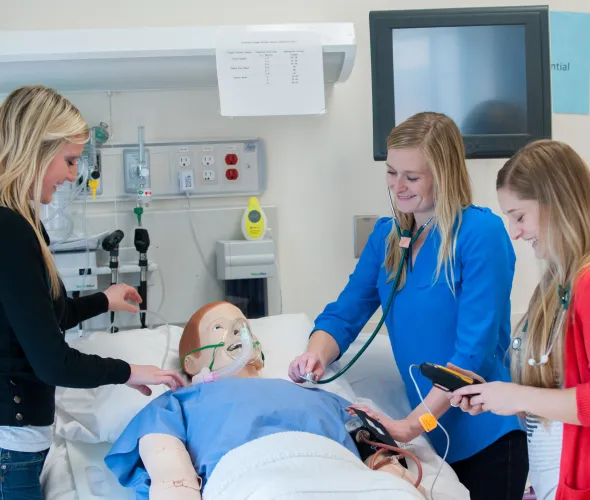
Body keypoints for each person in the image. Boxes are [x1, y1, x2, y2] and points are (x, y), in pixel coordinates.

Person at [288, 111, 529, 499]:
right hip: (429, 442)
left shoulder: (479, 233)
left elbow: (473, 351)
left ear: (444, 174)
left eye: (412, 177)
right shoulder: (387, 237)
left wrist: (411, 425)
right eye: (391, 172)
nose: (398, 187)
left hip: (487, 438)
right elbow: (344, 313)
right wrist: (314, 355)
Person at [0, 85, 185, 500]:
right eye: (68, 161)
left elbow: (43, 316)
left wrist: (104, 300)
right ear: (35, 149)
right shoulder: (9, 229)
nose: (72, 175)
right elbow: (51, 361)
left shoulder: (23, 221)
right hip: (9, 448)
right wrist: (129, 371)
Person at [105, 301, 435, 500]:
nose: (237, 332)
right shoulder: (179, 402)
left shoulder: (321, 397)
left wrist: (401, 490)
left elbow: (383, 462)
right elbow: (171, 479)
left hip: (346, 475)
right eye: (219, 327)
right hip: (260, 480)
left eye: (242, 326)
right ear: (191, 363)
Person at [450, 139, 590, 499]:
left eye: (520, 216)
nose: (515, 232)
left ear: (556, 203)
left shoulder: (587, 285)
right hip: (553, 475)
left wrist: (518, 396)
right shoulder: (555, 287)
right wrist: (497, 396)